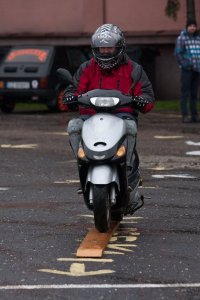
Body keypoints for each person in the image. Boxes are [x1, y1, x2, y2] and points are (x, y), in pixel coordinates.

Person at [63, 24, 155, 213]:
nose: (105, 52)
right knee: (73, 125)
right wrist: (70, 96)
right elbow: (72, 90)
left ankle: (128, 169)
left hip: (121, 117)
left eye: (109, 48)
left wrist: (140, 100)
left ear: (120, 48)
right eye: (101, 49)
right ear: (95, 50)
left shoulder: (133, 69)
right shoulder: (86, 68)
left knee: (130, 126)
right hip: (90, 118)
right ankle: (83, 165)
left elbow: (148, 98)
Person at [175, 18, 200, 123]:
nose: (192, 27)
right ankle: (185, 115)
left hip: (197, 70)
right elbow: (178, 54)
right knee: (185, 93)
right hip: (187, 70)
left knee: (194, 94)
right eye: (190, 25)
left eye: (194, 26)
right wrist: (186, 65)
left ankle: (194, 115)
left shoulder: (198, 38)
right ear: (187, 27)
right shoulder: (182, 38)